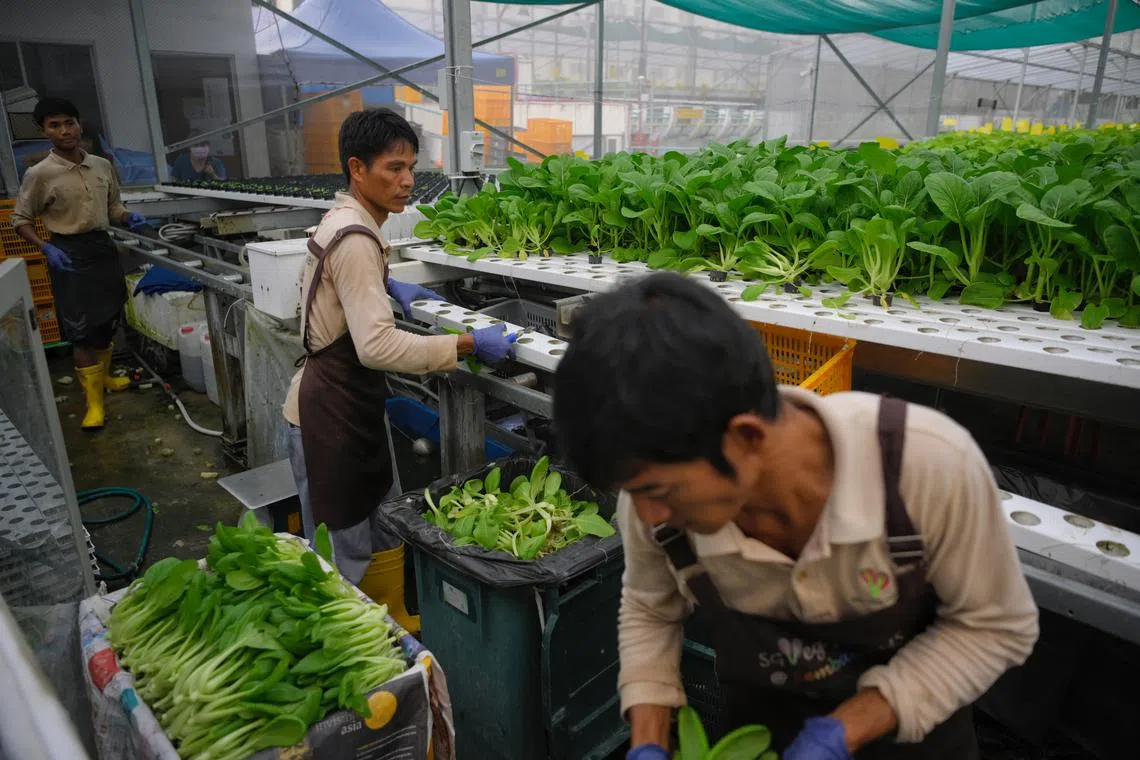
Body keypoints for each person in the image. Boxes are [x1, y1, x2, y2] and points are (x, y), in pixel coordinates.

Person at [553, 273, 1039, 760]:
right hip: (771, 740)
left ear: (745, 437)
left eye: (656, 491)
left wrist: (840, 733)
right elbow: (649, 609)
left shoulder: (926, 467)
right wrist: (648, 739)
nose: (646, 515)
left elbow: (995, 627)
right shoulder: (654, 501)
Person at [282, 108, 516, 627]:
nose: (407, 181)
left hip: (349, 405)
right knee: (343, 543)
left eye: (411, 166)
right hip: (328, 414)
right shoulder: (357, 239)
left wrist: (385, 287)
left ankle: (395, 620)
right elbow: (377, 349)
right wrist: (467, 344)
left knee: (382, 518)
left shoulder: (351, 223)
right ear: (357, 168)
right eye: (393, 168)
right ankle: (357, 641)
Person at [12, 97, 148, 430]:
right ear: (44, 131)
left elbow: (113, 207)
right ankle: (94, 404)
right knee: (81, 332)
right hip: (67, 255)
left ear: (79, 124)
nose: (63, 131)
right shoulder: (39, 174)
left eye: (68, 123)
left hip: (102, 249)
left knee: (106, 321)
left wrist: (128, 216)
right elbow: (21, 219)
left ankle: (102, 381)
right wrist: (46, 247)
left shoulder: (101, 166)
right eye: (54, 125)